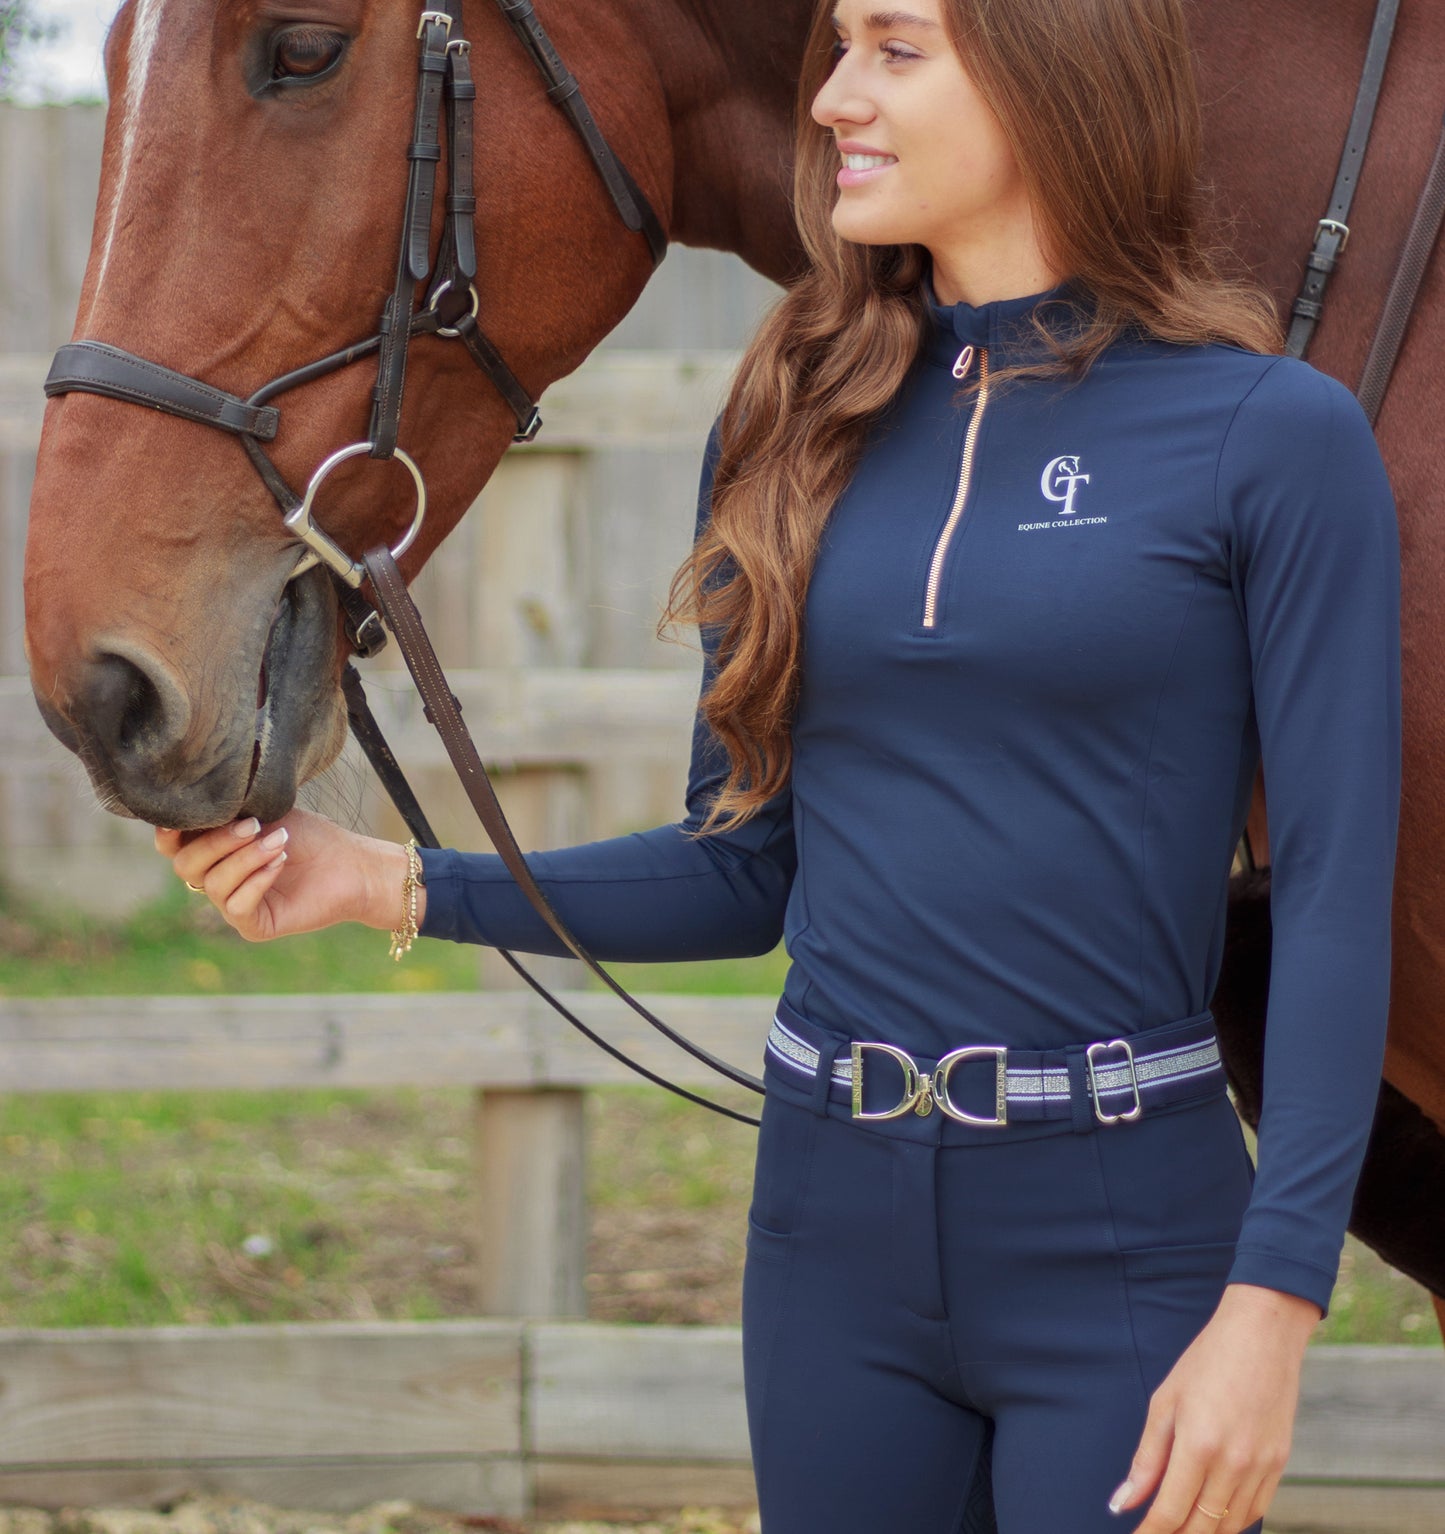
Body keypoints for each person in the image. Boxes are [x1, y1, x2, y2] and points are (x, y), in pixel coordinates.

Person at [155, 0, 1402, 1529]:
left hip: (1122, 1226)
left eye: (892, 48)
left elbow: (1336, 900)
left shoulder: (1271, 435)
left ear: (1048, 75)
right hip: (831, 1234)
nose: (829, 100)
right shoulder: (785, 424)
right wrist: (387, 881)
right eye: (838, 49)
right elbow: (742, 868)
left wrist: (1272, 1304)